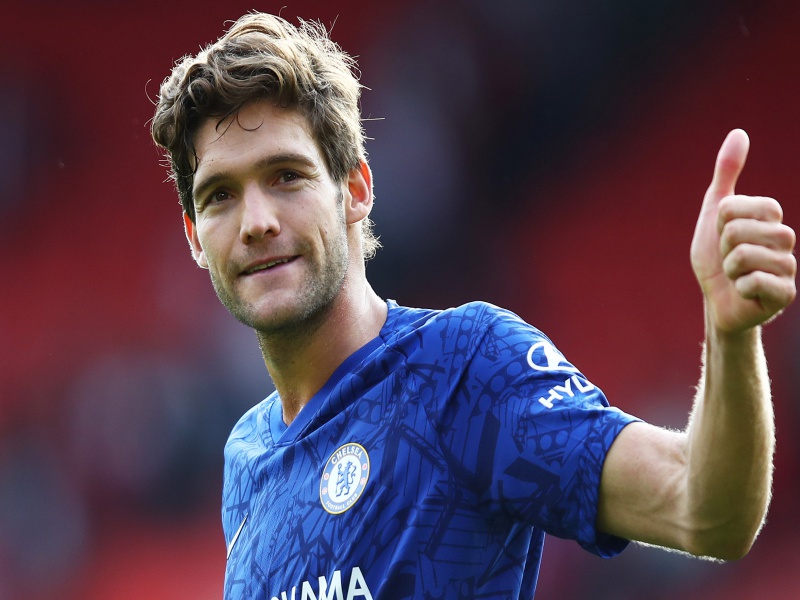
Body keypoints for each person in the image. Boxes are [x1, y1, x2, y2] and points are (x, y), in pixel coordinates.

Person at [150, 12, 797, 600]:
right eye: (219, 196)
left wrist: (730, 333)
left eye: (286, 176)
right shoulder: (247, 455)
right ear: (194, 237)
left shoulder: (464, 368)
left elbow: (705, 510)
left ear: (355, 190)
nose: (256, 222)